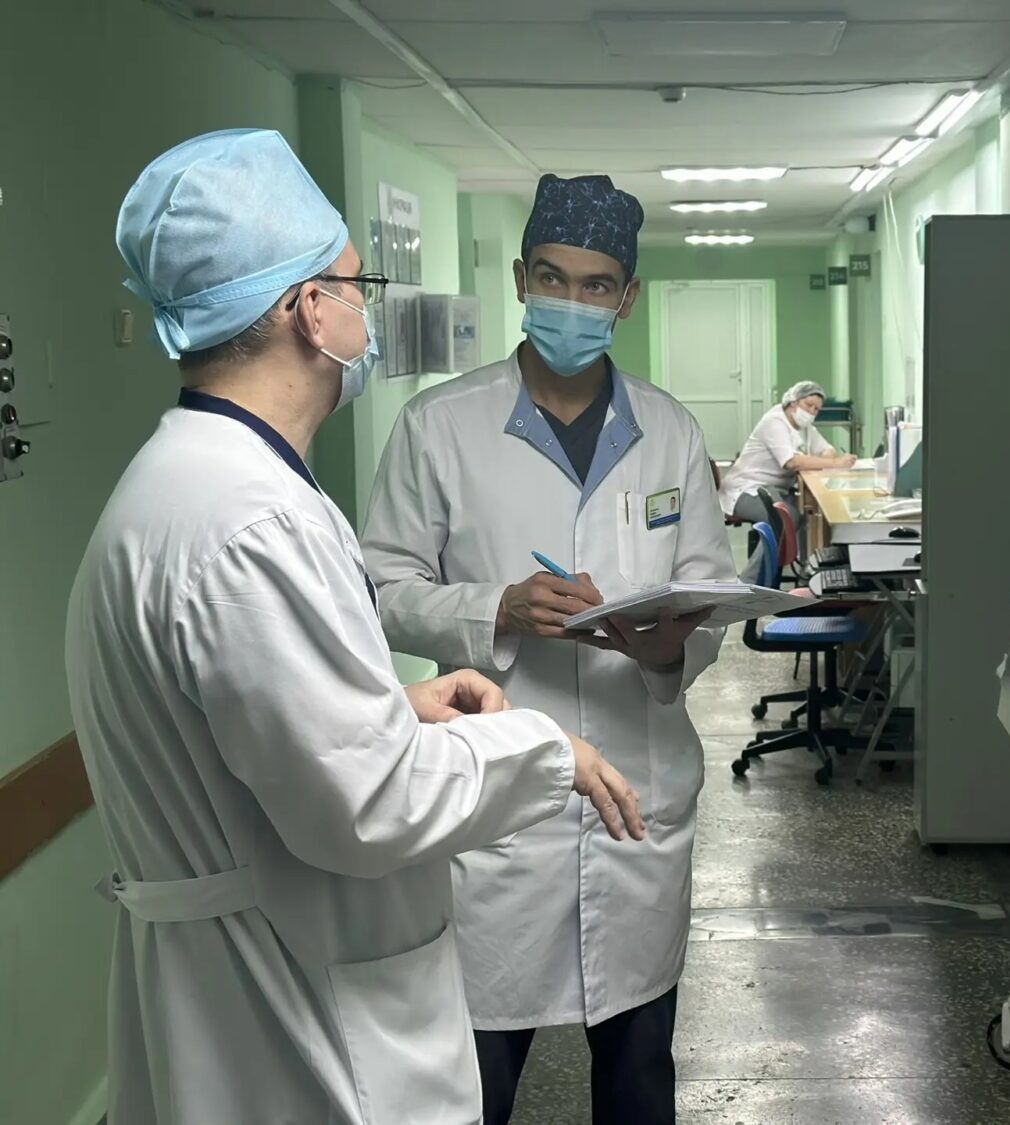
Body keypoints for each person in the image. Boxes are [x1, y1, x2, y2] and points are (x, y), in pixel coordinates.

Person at [66, 131, 644, 1125]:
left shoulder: (176, 485)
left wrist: (390, 707)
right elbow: (371, 805)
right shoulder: (255, 524)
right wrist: (546, 747)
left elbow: (237, 729)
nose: (366, 310)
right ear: (310, 311)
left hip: (229, 992)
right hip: (291, 1021)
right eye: (356, 283)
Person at [361, 173, 736, 1125]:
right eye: (555, 278)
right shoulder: (439, 426)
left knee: (640, 1079)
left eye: (597, 283)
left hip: (636, 796)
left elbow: (710, 595)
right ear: (523, 280)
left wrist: (666, 647)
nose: (573, 301)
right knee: (474, 1083)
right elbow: (380, 591)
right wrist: (497, 607)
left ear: (628, 296)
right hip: (499, 808)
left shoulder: (671, 432)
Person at [716, 380, 857, 527]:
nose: (812, 412)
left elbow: (828, 449)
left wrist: (824, 460)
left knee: (810, 510)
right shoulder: (774, 421)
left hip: (775, 489)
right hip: (746, 490)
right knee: (787, 519)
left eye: (816, 409)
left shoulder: (805, 427)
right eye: (809, 405)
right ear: (793, 401)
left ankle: (794, 543)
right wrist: (835, 463)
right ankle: (768, 543)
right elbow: (791, 462)